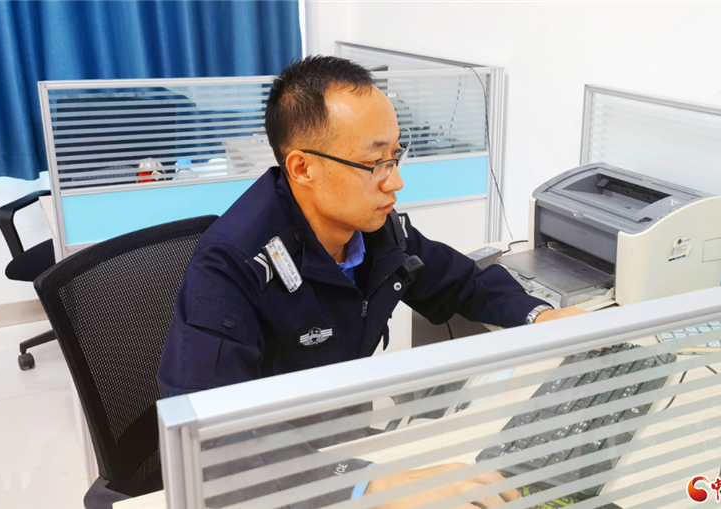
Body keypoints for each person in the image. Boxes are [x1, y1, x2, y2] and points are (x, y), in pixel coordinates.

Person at [158, 56, 586, 508]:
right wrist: (369, 487)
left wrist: (540, 317)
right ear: (302, 168)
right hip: (281, 479)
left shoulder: (374, 233)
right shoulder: (232, 266)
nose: (395, 181)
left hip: (348, 442)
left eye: (395, 156)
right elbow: (210, 439)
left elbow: (460, 280)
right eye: (374, 163)